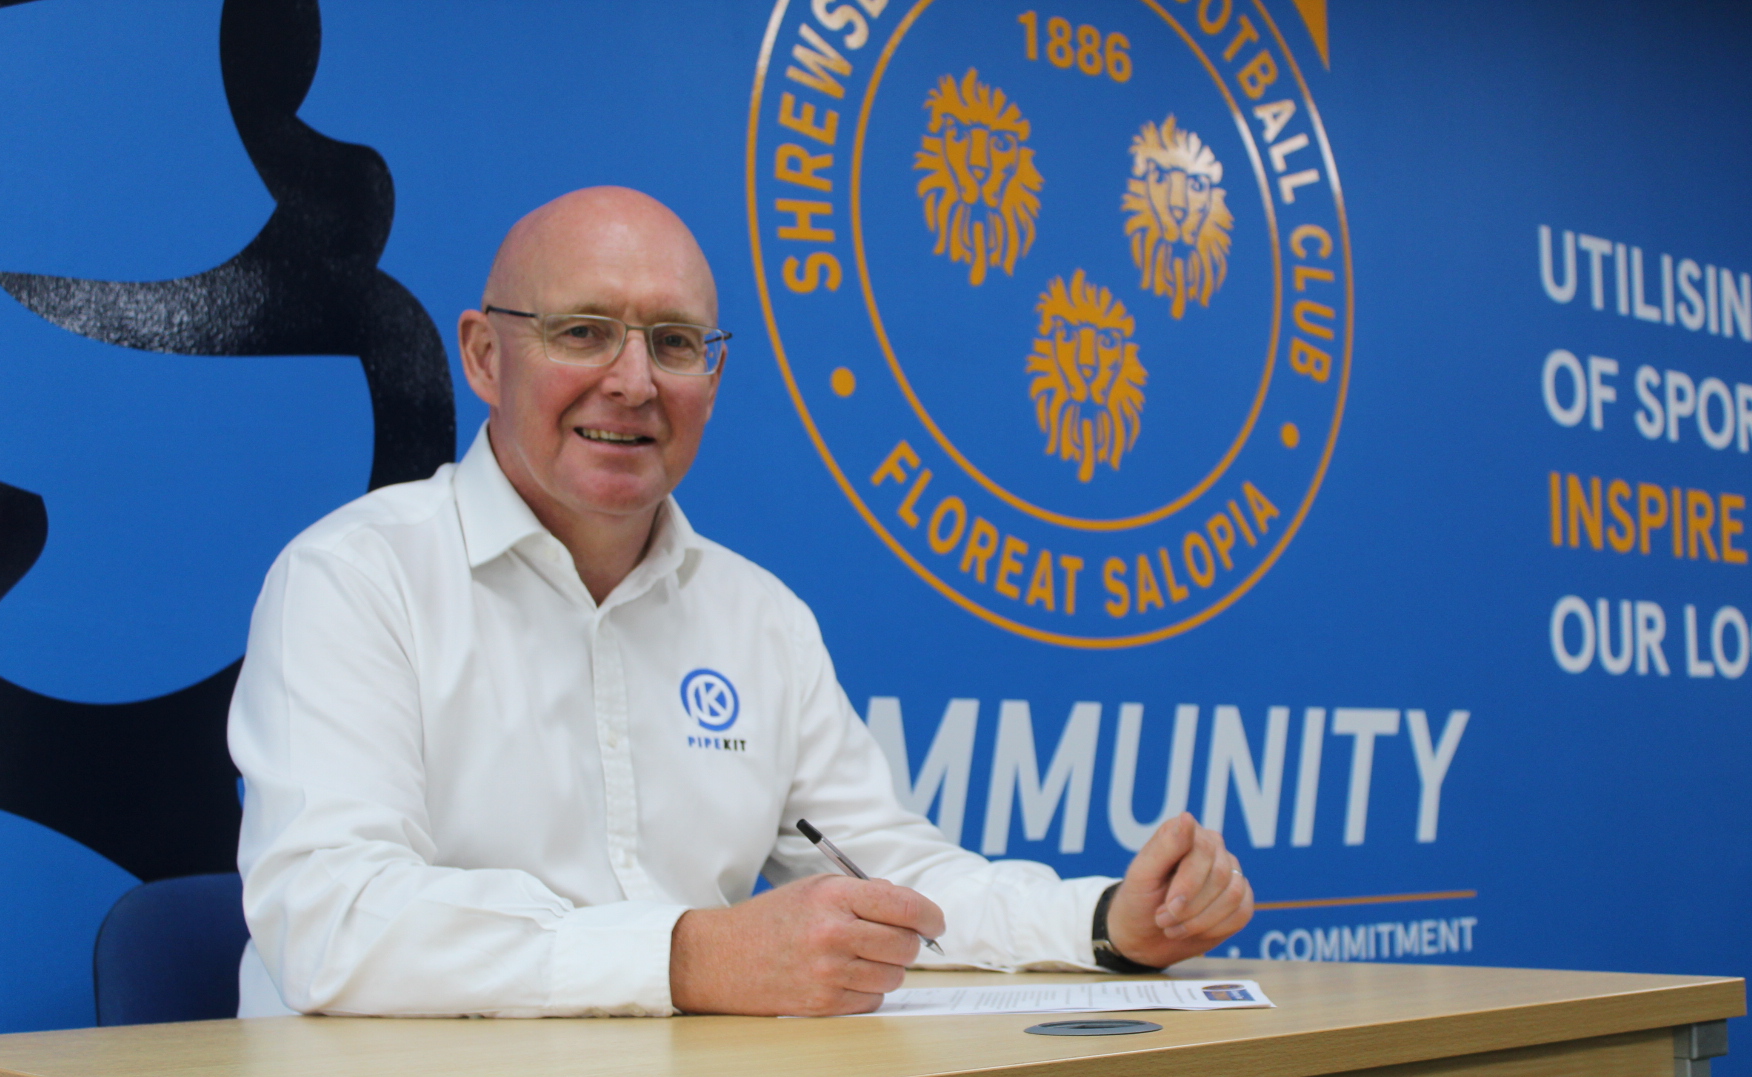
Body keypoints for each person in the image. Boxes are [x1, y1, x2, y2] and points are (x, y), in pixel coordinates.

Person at [230, 187, 1255, 1019]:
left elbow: (894, 878)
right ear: (486, 357)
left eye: (676, 343)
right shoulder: (355, 579)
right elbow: (331, 918)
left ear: (712, 380)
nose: (634, 381)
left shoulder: (759, 619)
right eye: (584, 331)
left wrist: (1108, 922)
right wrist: (688, 956)